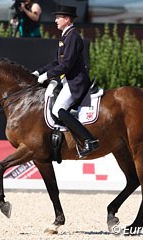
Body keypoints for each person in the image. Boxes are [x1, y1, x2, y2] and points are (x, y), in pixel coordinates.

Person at [32, 4, 99, 157]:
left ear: (67, 19)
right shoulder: (66, 36)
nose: (55, 20)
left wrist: (46, 76)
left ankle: (89, 140)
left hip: (76, 81)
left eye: (58, 18)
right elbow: (57, 62)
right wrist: (39, 72)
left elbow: (66, 65)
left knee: (57, 109)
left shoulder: (73, 37)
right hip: (68, 80)